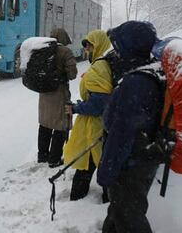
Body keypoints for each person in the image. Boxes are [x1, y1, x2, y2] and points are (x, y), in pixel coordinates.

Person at [97, 21, 162, 233]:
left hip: (130, 163)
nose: (115, 52)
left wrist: (106, 171)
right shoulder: (154, 72)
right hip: (146, 156)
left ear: (129, 46)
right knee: (121, 211)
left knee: (130, 218)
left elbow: (121, 133)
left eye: (118, 46)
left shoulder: (136, 83)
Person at [63, 30, 112, 201]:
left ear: (99, 44)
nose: (87, 50)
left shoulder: (100, 67)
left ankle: (84, 197)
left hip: (97, 126)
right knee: (97, 162)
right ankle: (104, 196)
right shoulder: (103, 63)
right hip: (100, 125)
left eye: (90, 45)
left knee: (94, 161)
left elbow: (99, 104)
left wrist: (77, 108)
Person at [37, 28, 78, 168]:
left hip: (44, 92)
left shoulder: (42, 48)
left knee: (45, 124)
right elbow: (72, 74)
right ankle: (54, 159)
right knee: (60, 126)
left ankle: (42, 156)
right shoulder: (65, 51)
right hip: (59, 93)